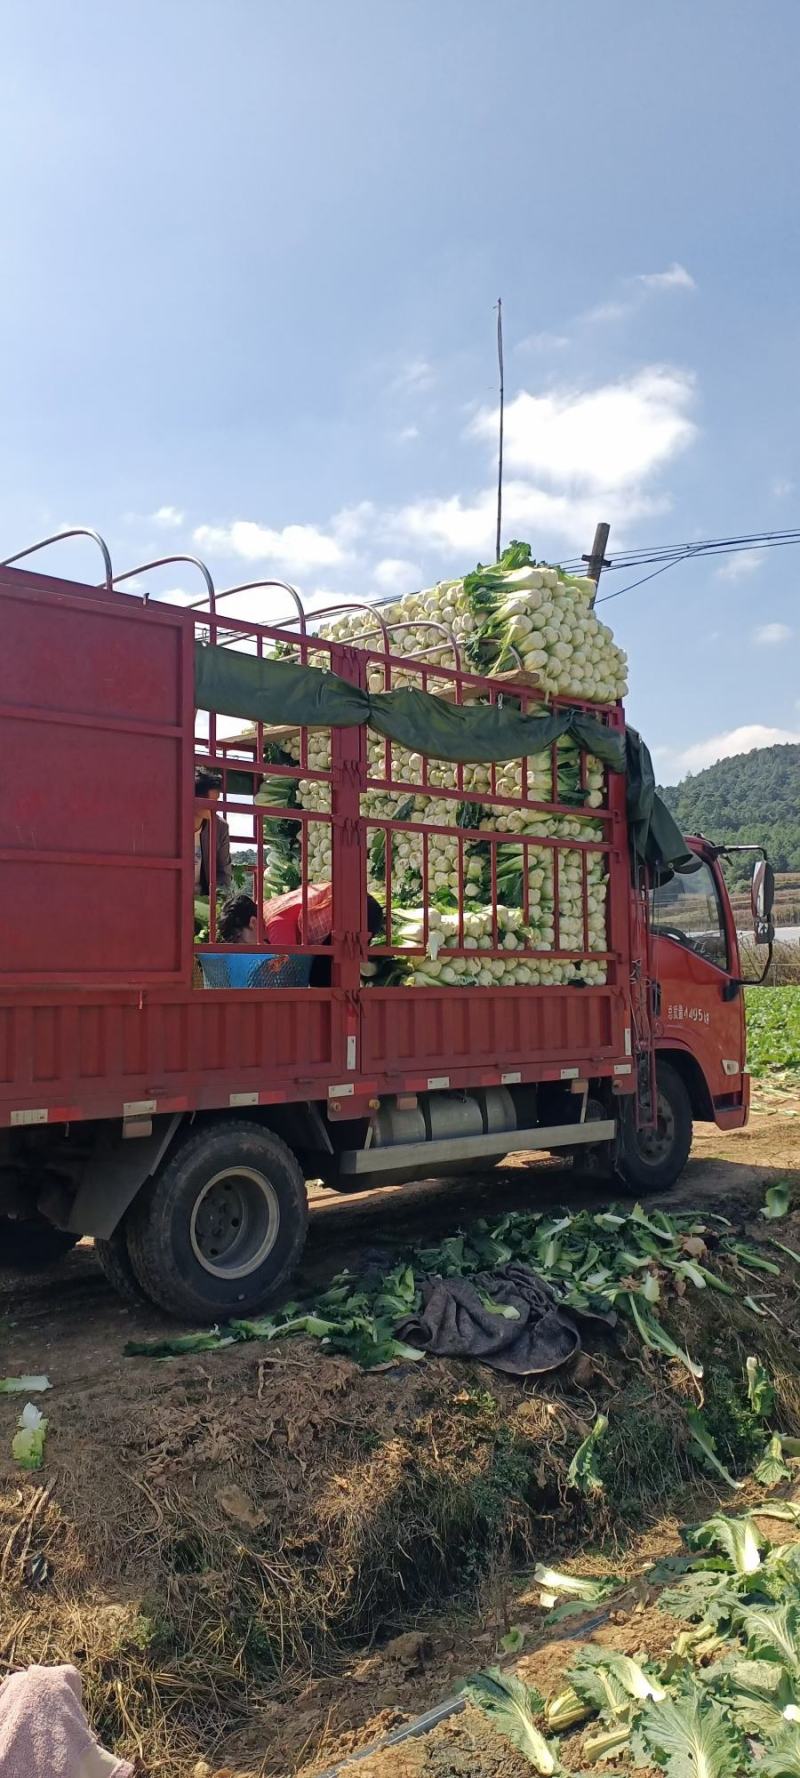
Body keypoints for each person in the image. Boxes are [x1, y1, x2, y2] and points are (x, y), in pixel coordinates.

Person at [194, 767, 231, 897]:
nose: (216, 808)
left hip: (205, 901)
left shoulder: (220, 828)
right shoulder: (170, 825)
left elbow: (224, 872)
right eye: (212, 803)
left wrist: (217, 898)